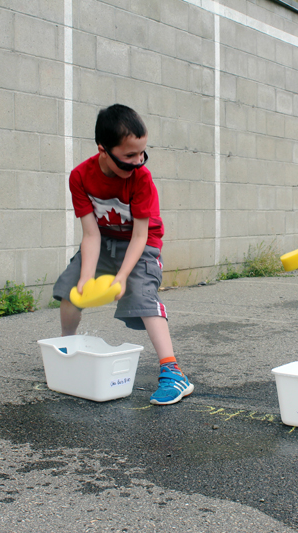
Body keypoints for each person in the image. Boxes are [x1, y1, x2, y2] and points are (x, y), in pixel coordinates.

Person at [51, 104, 193, 406]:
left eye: (142, 153)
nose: (138, 161)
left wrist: (122, 276)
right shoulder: (80, 177)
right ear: (103, 150)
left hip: (142, 244)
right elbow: (91, 234)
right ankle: (67, 351)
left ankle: (173, 372)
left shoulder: (141, 177)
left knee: (143, 297)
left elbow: (140, 235)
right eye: (129, 155)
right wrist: (86, 278)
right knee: (70, 291)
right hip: (103, 241)